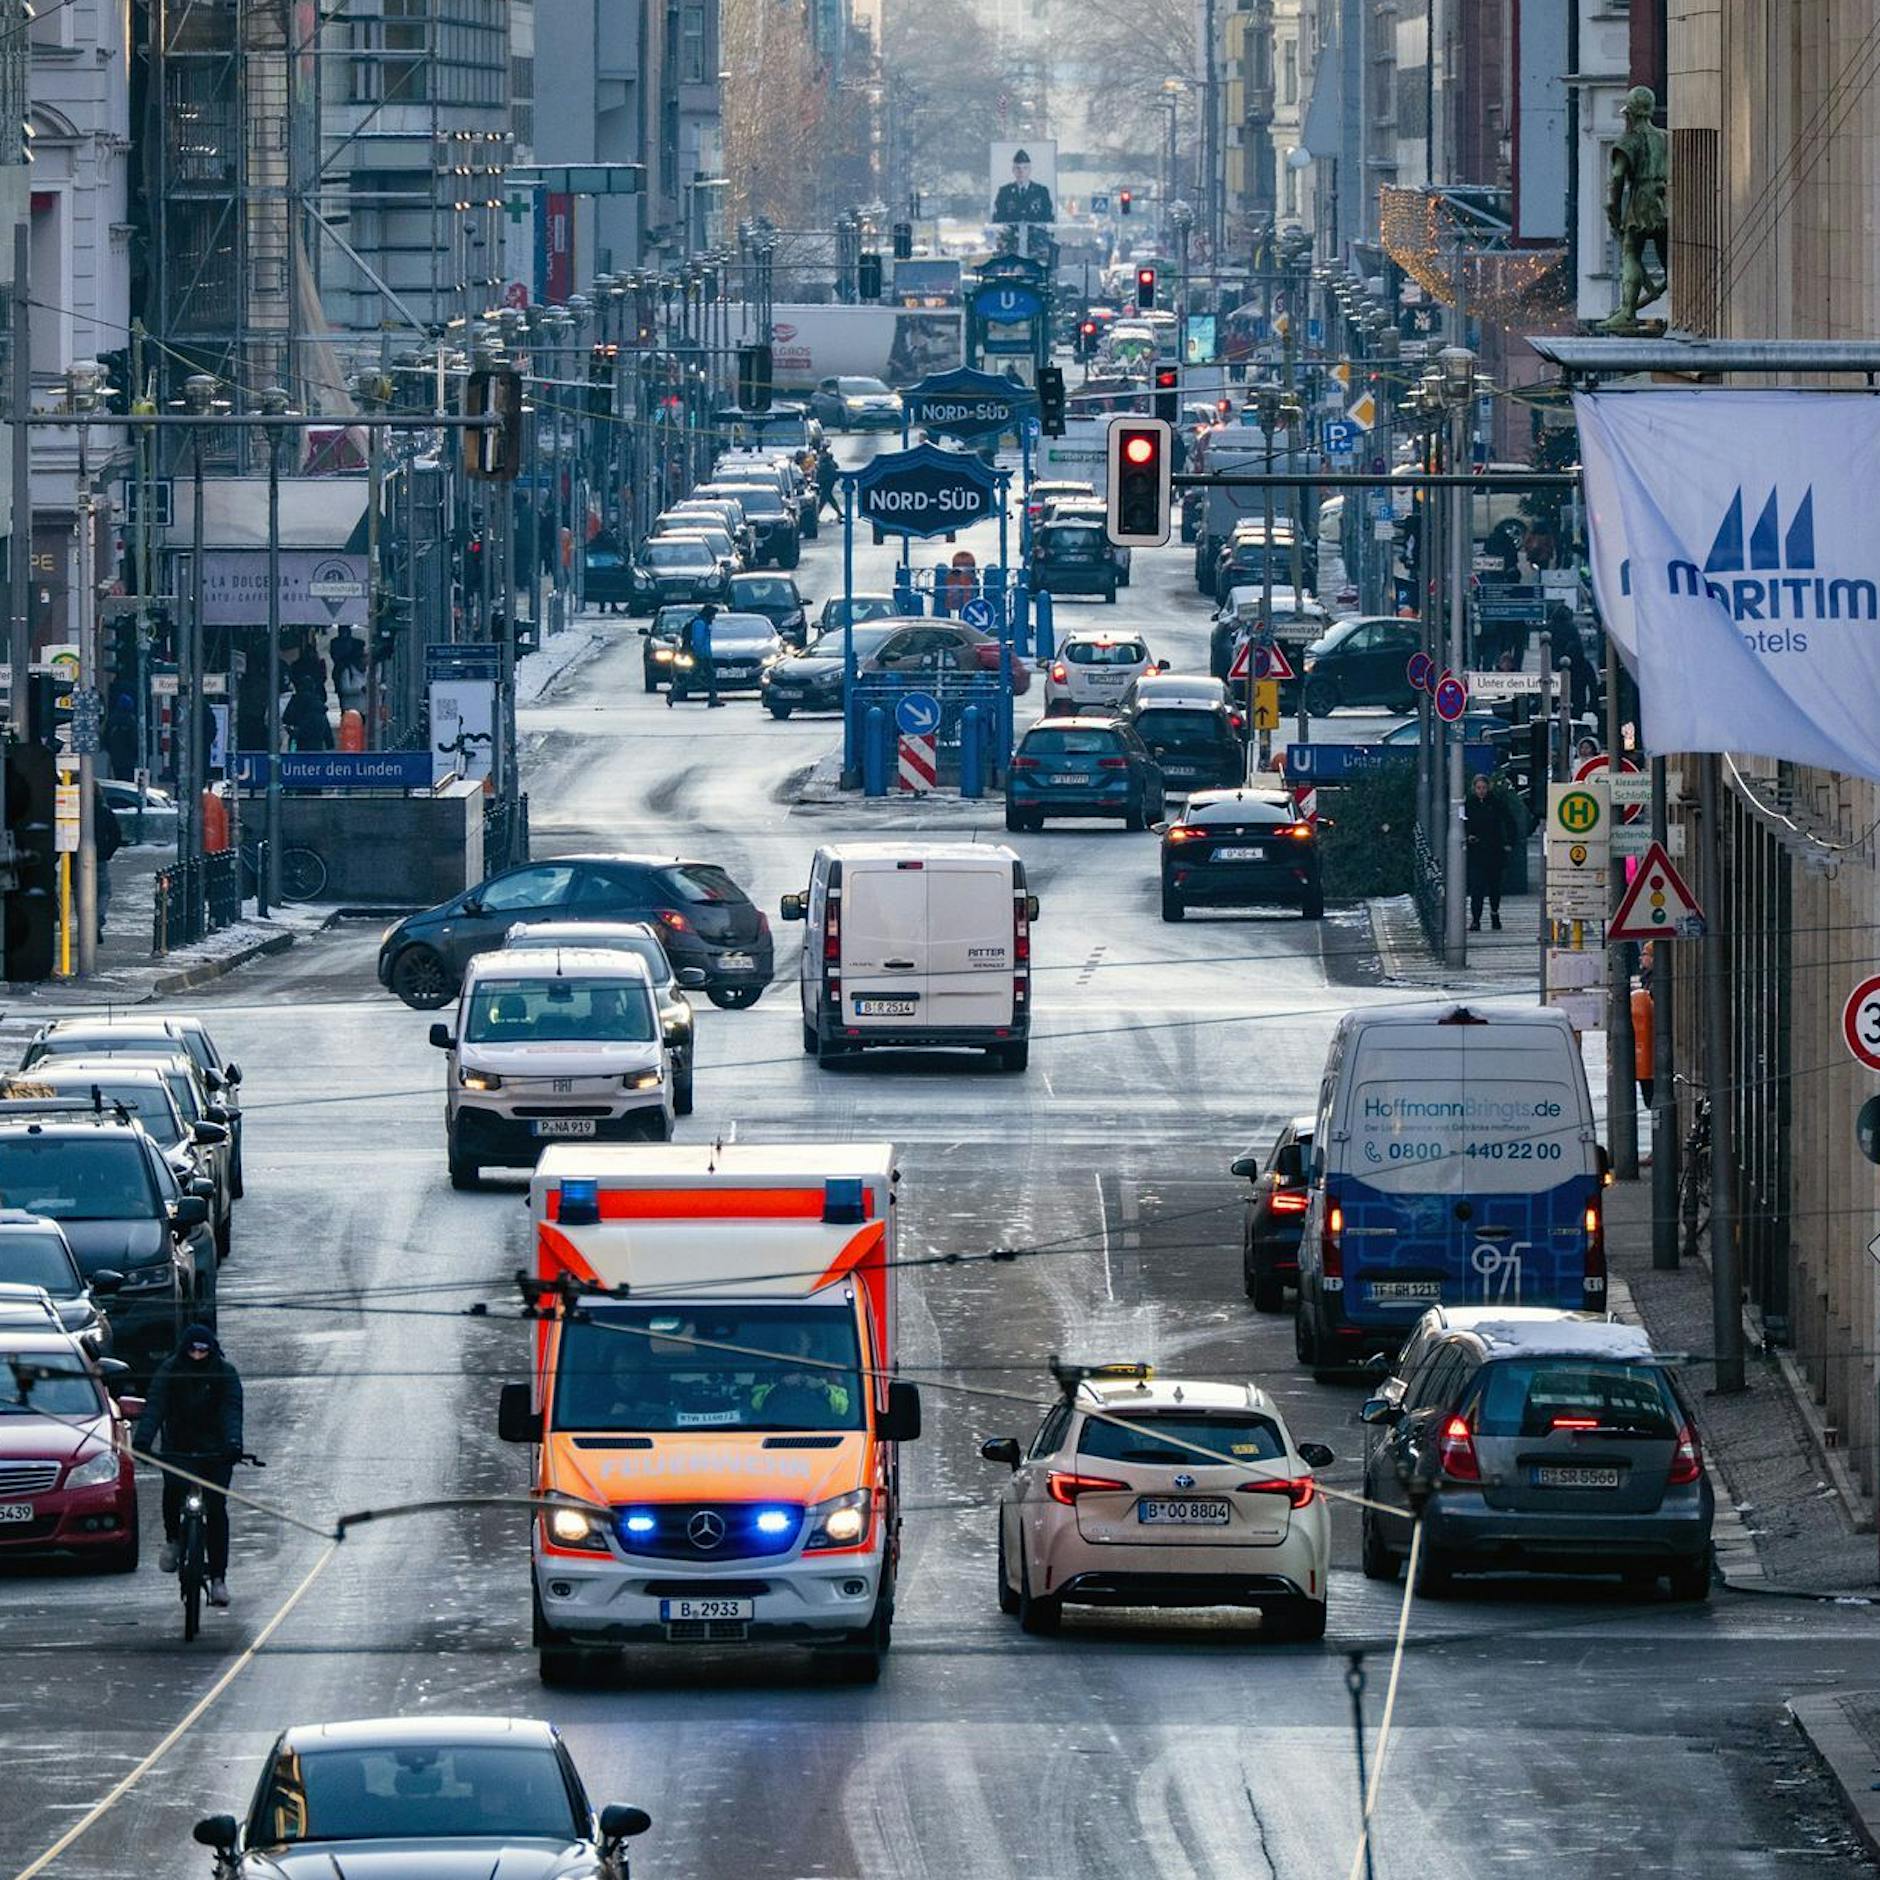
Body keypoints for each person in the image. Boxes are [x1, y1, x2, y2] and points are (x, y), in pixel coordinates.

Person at [133, 1323, 244, 1608]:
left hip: (216, 1452)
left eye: (203, 1350)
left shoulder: (225, 1373)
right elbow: (155, 1406)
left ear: (212, 1350)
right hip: (179, 1449)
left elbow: (231, 1410)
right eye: (192, 1350)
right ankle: (173, 1539)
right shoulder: (169, 1371)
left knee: (216, 1507)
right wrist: (143, 1441)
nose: (197, 1355)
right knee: (173, 1488)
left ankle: (218, 1578)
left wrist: (233, 1443)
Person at [1463, 773, 1517, 932]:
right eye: (1478, 788)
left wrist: (1509, 843)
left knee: (1494, 886)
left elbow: (1510, 821)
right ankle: (1476, 919)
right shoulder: (1469, 804)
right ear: (1474, 788)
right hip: (1476, 851)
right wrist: (1467, 836)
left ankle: (1494, 913)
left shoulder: (1496, 803)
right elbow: (1462, 823)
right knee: (1476, 887)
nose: (1481, 791)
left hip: (1494, 850)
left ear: (1488, 788)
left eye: (1484, 788)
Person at [669, 603, 722, 708]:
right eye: (713, 615)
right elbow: (698, 641)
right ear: (709, 614)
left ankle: (713, 698)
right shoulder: (699, 624)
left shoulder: (703, 622)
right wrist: (701, 655)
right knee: (693, 677)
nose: (714, 618)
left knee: (710, 675)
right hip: (701, 655)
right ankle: (673, 694)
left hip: (704, 655)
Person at [992, 148, 1054, 224]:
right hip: (1011, 235)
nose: (1021, 172)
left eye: (1025, 168)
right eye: (1018, 168)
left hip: (1035, 235)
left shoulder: (1041, 192)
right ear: (1013, 170)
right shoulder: (1004, 192)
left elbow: (1048, 219)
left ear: (1030, 170)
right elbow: (997, 220)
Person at [92, 784, 122, 937]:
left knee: (80, 892)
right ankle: (97, 918)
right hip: (99, 858)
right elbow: (116, 835)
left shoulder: (75, 811)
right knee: (103, 891)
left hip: (77, 859)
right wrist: (106, 852)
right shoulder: (104, 811)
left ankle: (88, 924)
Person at [1632, 957, 1656, 1109]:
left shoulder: (1651, 984)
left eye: (1645, 954)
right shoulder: (1647, 980)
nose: (1640, 957)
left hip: (1648, 1053)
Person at [815, 449, 841, 520]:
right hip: (829, 482)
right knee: (828, 498)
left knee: (824, 499)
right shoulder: (829, 462)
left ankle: (816, 516)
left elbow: (821, 474)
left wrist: (818, 482)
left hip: (826, 482)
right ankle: (839, 513)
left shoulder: (825, 463)